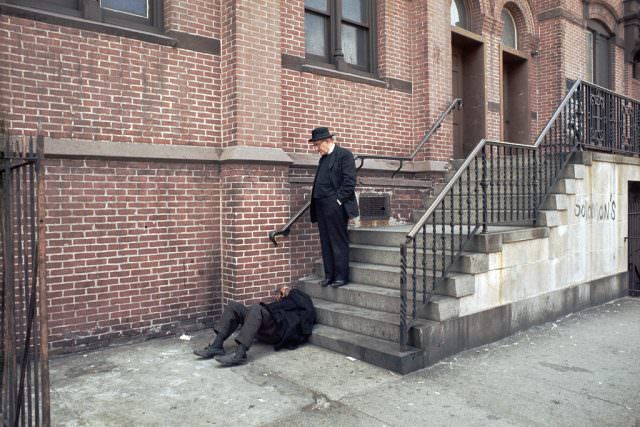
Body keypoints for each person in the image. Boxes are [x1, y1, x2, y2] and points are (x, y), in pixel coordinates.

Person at [193, 285, 315, 366]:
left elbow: (307, 310)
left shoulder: (298, 297)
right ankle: (216, 345)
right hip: (266, 325)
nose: (277, 297)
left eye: (280, 294)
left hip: (278, 330)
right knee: (233, 306)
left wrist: (290, 291)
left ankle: (240, 354)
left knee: (257, 308)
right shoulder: (281, 303)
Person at [309, 127, 359, 288]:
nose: (317, 149)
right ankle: (329, 275)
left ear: (328, 141)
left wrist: (337, 201)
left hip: (335, 205)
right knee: (325, 241)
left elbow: (349, 182)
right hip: (321, 206)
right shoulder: (323, 158)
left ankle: (341, 276)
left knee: (338, 241)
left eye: (318, 145)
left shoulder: (344, 155)